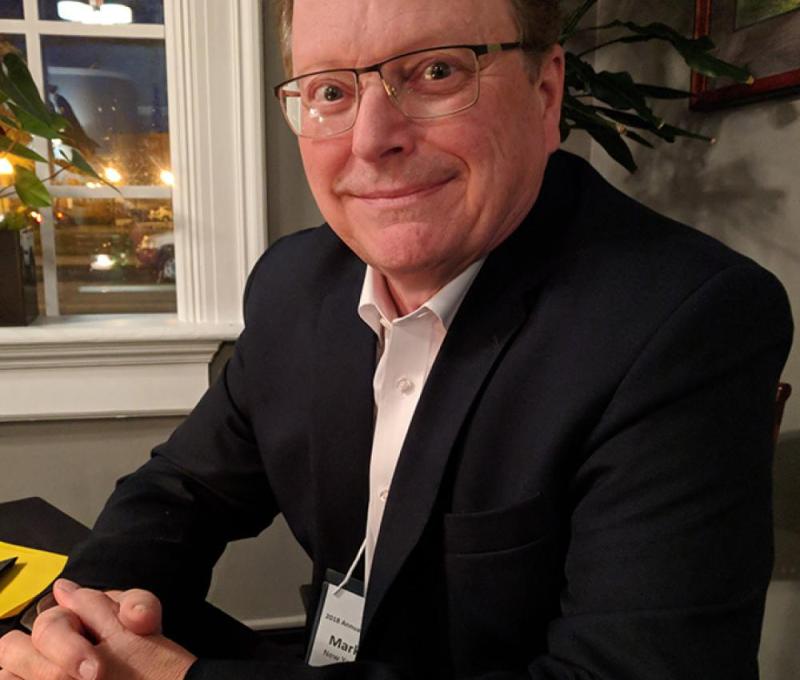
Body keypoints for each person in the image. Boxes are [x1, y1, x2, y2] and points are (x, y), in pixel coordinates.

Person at [0, 0, 793, 678]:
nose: (371, 137)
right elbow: (183, 488)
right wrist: (80, 618)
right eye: (331, 91)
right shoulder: (294, 282)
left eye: (437, 71)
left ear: (545, 92)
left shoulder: (686, 322)